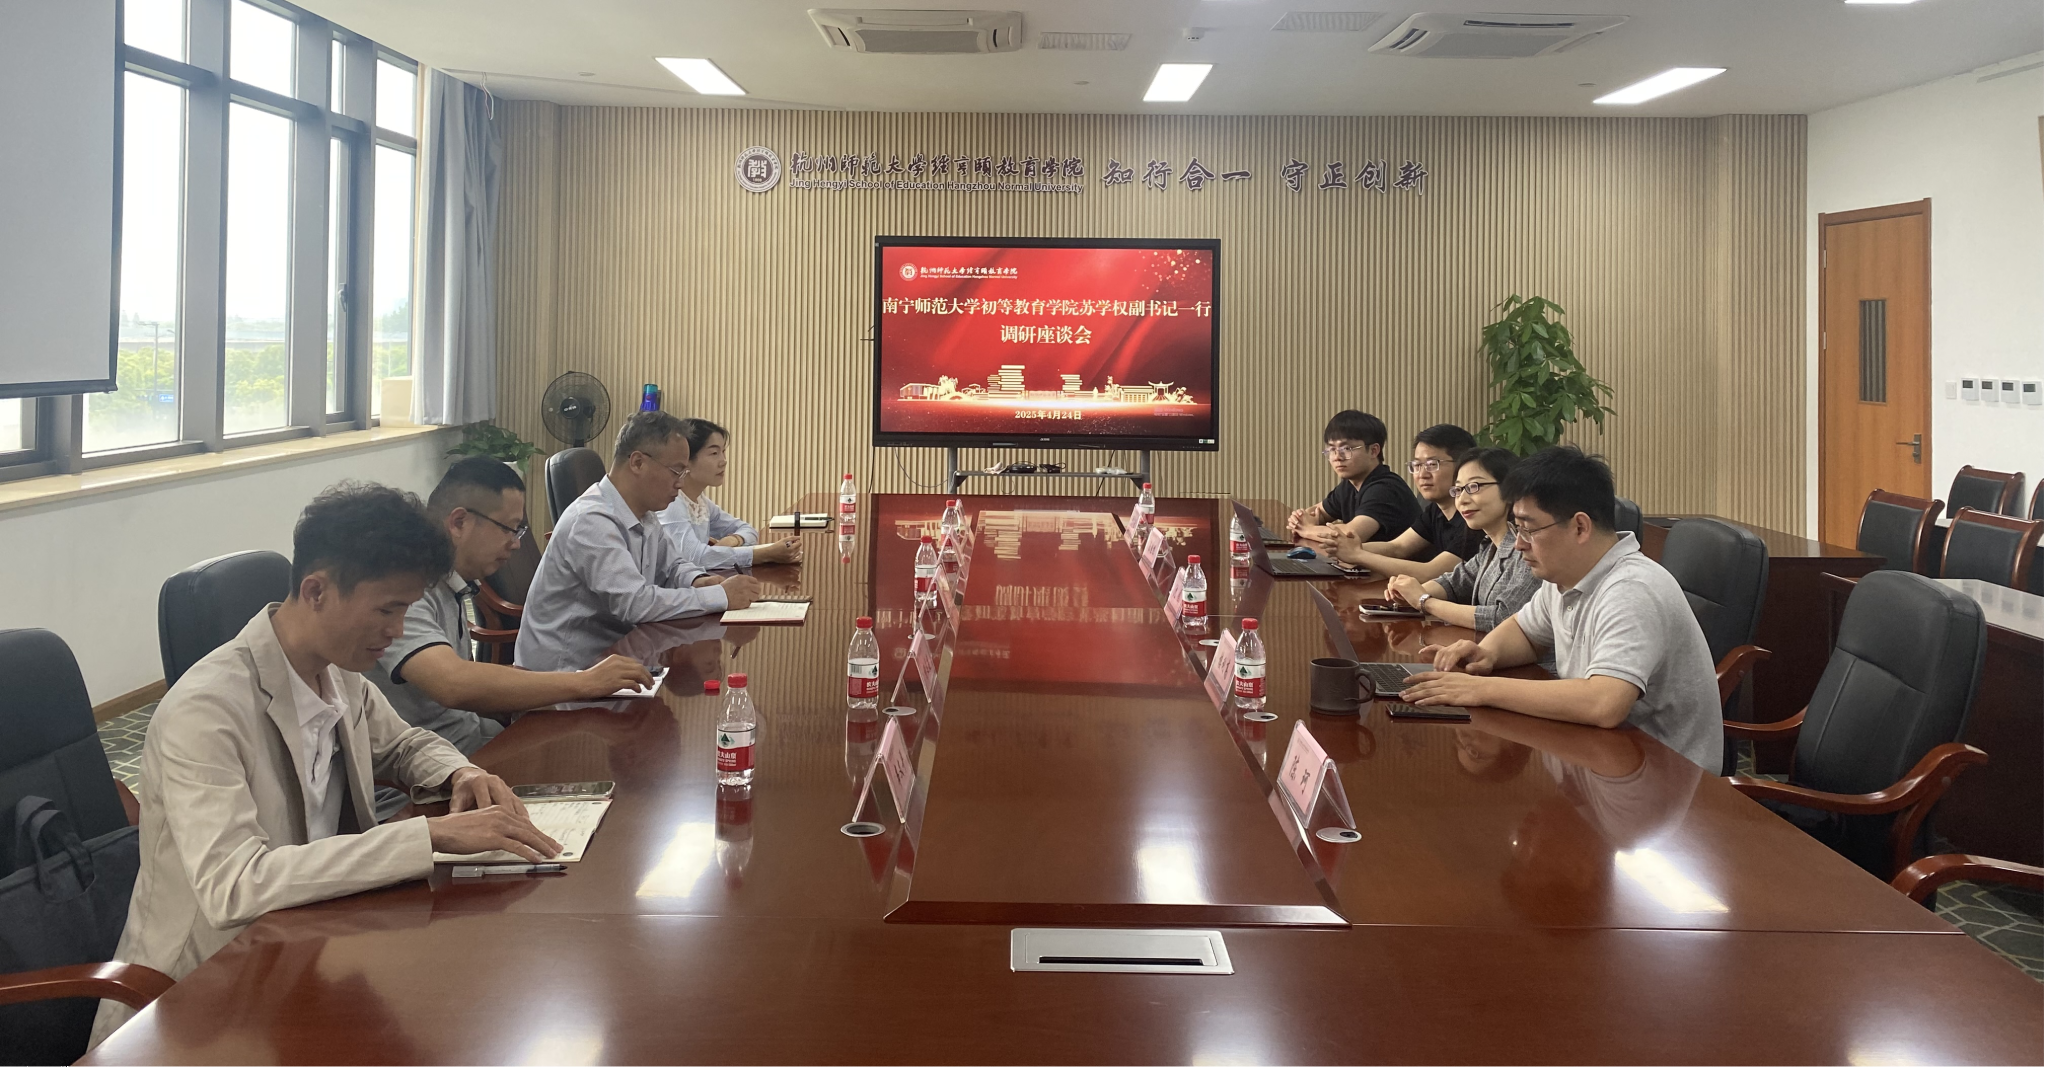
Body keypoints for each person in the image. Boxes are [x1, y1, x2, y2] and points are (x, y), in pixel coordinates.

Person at [92, 484, 560, 1043]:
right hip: (196, 1002)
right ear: (316, 591)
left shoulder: (337, 673)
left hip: (305, 949)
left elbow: (405, 745)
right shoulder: (205, 710)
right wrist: (429, 836)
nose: (397, 630)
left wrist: (464, 773)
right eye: (387, 609)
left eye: (406, 609)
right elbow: (234, 886)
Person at [1400, 446, 1721, 771]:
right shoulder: (1566, 577)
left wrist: (1481, 689)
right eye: (1517, 529)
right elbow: (1525, 632)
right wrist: (1487, 653)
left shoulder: (1632, 589)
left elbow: (1604, 703)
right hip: (1605, 758)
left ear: (1580, 527)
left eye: (1529, 529)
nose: (1519, 543)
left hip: (1665, 776)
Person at [370, 458, 655, 765]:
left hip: (474, 744)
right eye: (509, 529)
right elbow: (452, 683)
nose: (516, 544)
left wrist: (567, 690)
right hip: (435, 767)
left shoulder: (454, 582)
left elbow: (470, 690)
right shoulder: (404, 591)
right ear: (459, 522)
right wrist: (583, 683)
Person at [516, 411, 761, 674]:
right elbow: (634, 604)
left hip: (615, 658)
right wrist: (720, 596)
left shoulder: (644, 512)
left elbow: (674, 565)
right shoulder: (591, 520)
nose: (681, 483)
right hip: (564, 673)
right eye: (676, 471)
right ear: (637, 462)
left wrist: (698, 581)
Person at [1384, 447, 1539, 633]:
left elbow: (1503, 618)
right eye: (1458, 490)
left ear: (1509, 490)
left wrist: (1425, 601)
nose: (1462, 500)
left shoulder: (1529, 549)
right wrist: (1408, 593)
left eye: (1474, 487)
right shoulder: (1490, 547)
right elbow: (1454, 583)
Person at [1331, 423, 1482, 579]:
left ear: (1463, 467)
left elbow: (1430, 572)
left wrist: (1358, 555)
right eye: (1417, 465)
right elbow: (1397, 547)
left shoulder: (1474, 519)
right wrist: (1347, 548)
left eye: (1432, 465)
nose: (1422, 474)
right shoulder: (1436, 510)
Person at [656, 418, 801, 569]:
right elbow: (696, 558)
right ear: (686, 460)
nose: (723, 461)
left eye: (723, 452)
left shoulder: (700, 501)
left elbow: (748, 529)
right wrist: (764, 554)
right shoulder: (671, 503)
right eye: (714, 453)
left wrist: (733, 539)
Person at [1287, 409, 1417, 549]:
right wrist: (1301, 519)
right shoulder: (1350, 485)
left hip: (1399, 563)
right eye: (1332, 450)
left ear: (1373, 451)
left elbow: (1350, 536)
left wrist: (1307, 529)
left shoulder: (1385, 489)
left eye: (1346, 449)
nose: (1337, 457)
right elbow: (1319, 513)